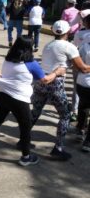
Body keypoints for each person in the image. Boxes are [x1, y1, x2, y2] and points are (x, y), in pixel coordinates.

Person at [0, 36, 65, 166]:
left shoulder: (8, 59)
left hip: (3, 95)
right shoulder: (31, 63)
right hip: (19, 99)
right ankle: (26, 157)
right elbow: (45, 80)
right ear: (29, 48)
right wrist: (57, 72)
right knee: (25, 127)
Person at [31, 20, 90, 161]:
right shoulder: (69, 47)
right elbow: (83, 68)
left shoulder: (48, 45)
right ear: (68, 32)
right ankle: (58, 148)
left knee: (35, 112)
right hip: (55, 83)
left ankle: (23, 139)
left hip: (41, 82)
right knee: (65, 116)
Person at [77, 33, 90, 152]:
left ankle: (80, 130)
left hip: (82, 83)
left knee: (83, 106)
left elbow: (77, 64)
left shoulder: (84, 46)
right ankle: (88, 142)